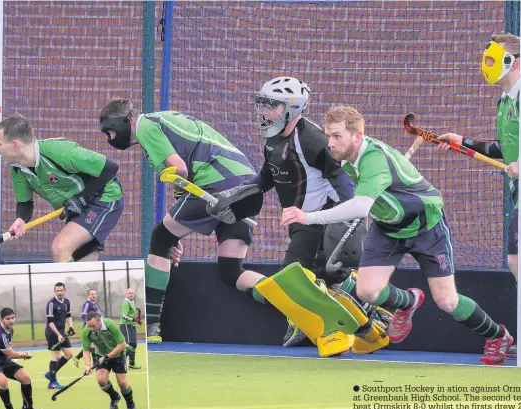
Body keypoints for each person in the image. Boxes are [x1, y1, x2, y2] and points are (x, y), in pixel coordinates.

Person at [281, 105, 514, 365]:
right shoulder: (345, 158)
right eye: (329, 136)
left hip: (425, 225)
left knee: (447, 300)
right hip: (388, 227)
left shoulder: (373, 159)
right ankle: (408, 302)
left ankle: (498, 336)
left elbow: (360, 206)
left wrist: (307, 217)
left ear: (357, 136)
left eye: (337, 136)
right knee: (367, 291)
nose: (330, 143)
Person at [98, 100, 267, 344]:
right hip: (246, 186)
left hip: (217, 181)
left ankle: (152, 326)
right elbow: (183, 173)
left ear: (126, 121)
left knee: (160, 238)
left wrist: (172, 233)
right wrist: (178, 222)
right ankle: (294, 303)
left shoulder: (145, 127)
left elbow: (179, 170)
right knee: (231, 270)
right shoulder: (162, 119)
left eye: (110, 131)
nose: (110, 138)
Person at [437, 32, 521, 280]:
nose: (485, 66)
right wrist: (462, 141)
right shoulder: (505, 101)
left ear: (514, 63)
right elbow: (505, 148)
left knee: (518, 260)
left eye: (491, 60)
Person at [244, 76, 355, 347]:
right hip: (299, 220)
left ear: (291, 109)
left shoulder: (313, 140)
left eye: (272, 106)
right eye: (263, 105)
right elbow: (266, 178)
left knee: (290, 276)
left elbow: (342, 180)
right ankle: (374, 314)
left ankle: (303, 324)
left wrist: (352, 217)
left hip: (320, 218)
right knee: (329, 279)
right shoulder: (272, 141)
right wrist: (235, 193)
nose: (264, 112)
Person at [0, 114, 124, 262]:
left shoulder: (59, 151)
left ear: (15, 145)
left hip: (103, 196)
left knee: (61, 247)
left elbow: (110, 167)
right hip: (76, 208)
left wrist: (80, 199)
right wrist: (21, 219)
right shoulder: (17, 169)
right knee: (82, 267)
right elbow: (25, 203)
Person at [0, 307, 40, 409]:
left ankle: (27, 408)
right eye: (8, 319)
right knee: (2, 382)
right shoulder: (0, 335)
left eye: (13, 318)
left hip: (4, 361)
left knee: (26, 378)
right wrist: (25, 355)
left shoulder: (10, 330)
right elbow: (12, 354)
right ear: (2, 319)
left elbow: (8, 351)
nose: (11, 321)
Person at [81, 311, 137, 409]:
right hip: (101, 355)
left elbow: (123, 345)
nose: (91, 329)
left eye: (93, 326)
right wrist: (88, 365)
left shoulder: (110, 325)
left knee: (122, 383)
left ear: (99, 320)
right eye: (89, 326)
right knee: (101, 380)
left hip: (118, 354)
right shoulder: (86, 331)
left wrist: (107, 356)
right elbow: (86, 350)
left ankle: (130, 405)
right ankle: (114, 396)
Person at [43, 282, 75, 389]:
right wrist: (58, 334)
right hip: (52, 332)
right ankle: (52, 382)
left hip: (61, 332)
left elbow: (68, 315)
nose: (59, 292)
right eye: (57, 291)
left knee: (69, 354)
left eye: (61, 290)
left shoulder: (66, 301)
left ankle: (51, 373)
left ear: (64, 290)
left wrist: (70, 327)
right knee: (55, 356)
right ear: (55, 291)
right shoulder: (51, 303)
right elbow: (50, 322)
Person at [74, 288, 102, 364]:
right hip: (90, 327)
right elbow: (83, 315)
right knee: (93, 345)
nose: (94, 295)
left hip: (95, 327)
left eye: (95, 294)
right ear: (88, 295)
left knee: (91, 346)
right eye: (92, 294)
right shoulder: (87, 303)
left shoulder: (94, 303)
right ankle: (95, 363)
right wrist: (88, 325)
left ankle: (77, 357)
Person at [118, 288, 142, 369]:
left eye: (132, 293)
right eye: (129, 293)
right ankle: (120, 362)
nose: (131, 294)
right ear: (126, 294)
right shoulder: (125, 303)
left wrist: (136, 320)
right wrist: (133, 319)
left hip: (132, 326)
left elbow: (133, 315)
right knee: (129, 345)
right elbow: (124, 315)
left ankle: (132, 364)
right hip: (126, 326)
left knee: (133, 345)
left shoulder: (131, 302)